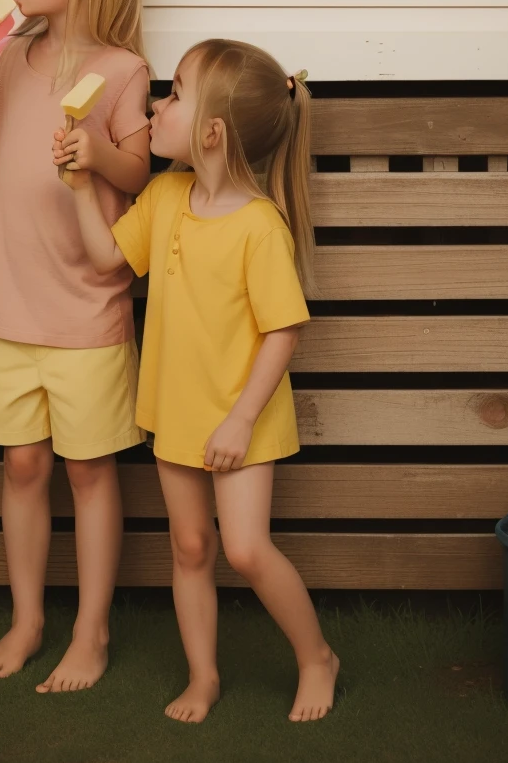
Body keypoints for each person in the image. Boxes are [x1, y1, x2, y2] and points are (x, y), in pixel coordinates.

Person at [59, 38, 339, 723]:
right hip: (177, 412)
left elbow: (283, 330)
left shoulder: (258, 227)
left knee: (243, 548)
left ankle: (316, 658)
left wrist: (241, 419)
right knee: (189, 546)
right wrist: (76, 188)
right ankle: (203, 677)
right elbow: (105, 259)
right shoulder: (164, 195)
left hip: (243, 418)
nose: (158, 103)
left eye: (176, 93)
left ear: (212, 133)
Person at [0, 0, 151, 692]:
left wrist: (94, 158)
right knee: (23, 468)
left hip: (85, 312)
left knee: (90, 472)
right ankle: (28, 619)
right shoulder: (7, 62)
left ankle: (91, 632)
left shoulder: (122, 71)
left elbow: (137, 172)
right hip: (6, 306)